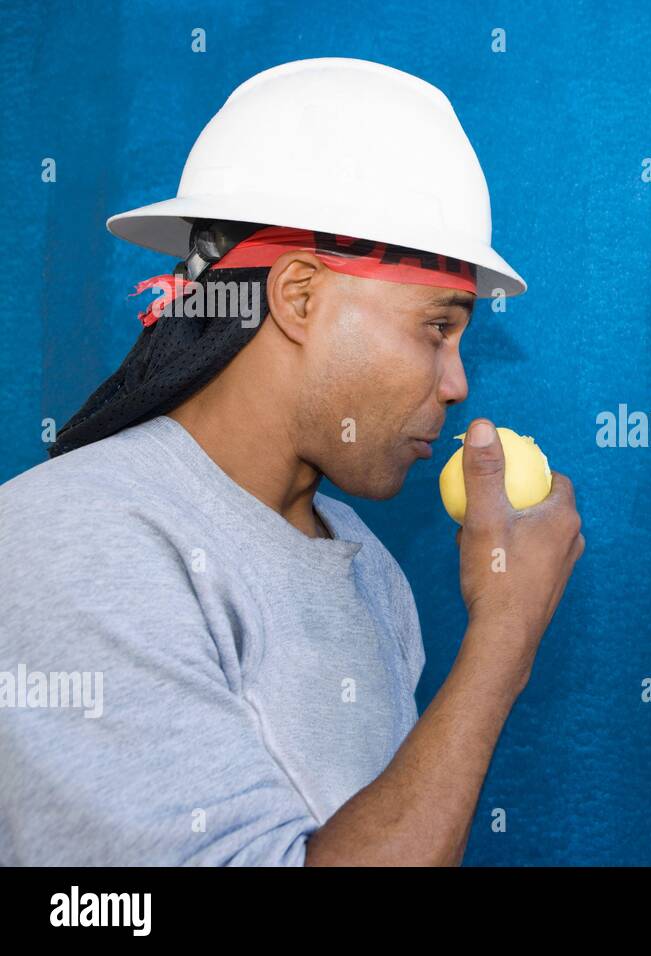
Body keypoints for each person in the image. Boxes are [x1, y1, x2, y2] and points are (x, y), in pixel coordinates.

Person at [0, 58, 584, 865]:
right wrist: (505, 635)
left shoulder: (367, 567)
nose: (457, 385)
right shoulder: (71, 539)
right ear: (300, 297)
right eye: (436, 329)